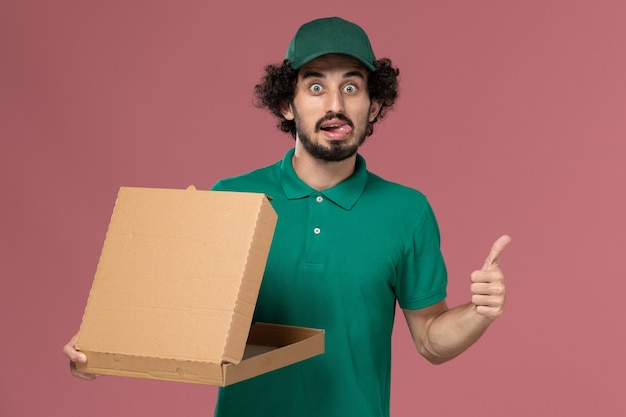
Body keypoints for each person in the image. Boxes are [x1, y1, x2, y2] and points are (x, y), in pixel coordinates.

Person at [63, 16, 511, 417]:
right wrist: (100, 348)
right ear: (286, 104)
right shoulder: (231, 197)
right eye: (315, 87)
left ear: (373, 106)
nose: (334, 103)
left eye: (351, 87)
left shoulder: (407, 211)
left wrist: (480, 312)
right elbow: (173, 321)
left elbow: (431, 340)